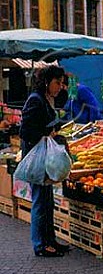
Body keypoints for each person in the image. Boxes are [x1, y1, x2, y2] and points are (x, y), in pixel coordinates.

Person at [19, 65, 69, 257]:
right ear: (47, 82)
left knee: (48, 201)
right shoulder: (35, 100)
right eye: (57, 83)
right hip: (38, 159)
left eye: (62, 83)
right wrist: (45, 134)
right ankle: (40, 245)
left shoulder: (47, 98)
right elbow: (25, 131)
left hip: (46, 158)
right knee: (40, 201)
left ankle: (50, 241)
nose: (60, 87)